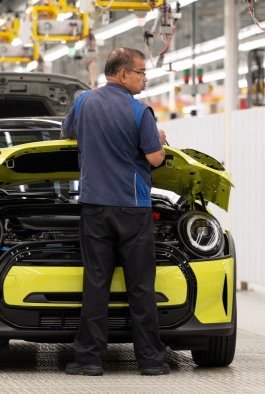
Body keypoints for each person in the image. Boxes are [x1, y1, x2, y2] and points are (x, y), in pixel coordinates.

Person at [61, 47, 169, 376]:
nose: (144, 78)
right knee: (140, 287)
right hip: (133, 209)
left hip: (94, 208)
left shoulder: (83, 101)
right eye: (141, 72)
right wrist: (159, 140)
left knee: (96, 284)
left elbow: (67, 132)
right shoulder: (139, 112)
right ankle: (150, 361)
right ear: (123, 74)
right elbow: (155, 159)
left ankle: (88, 360)